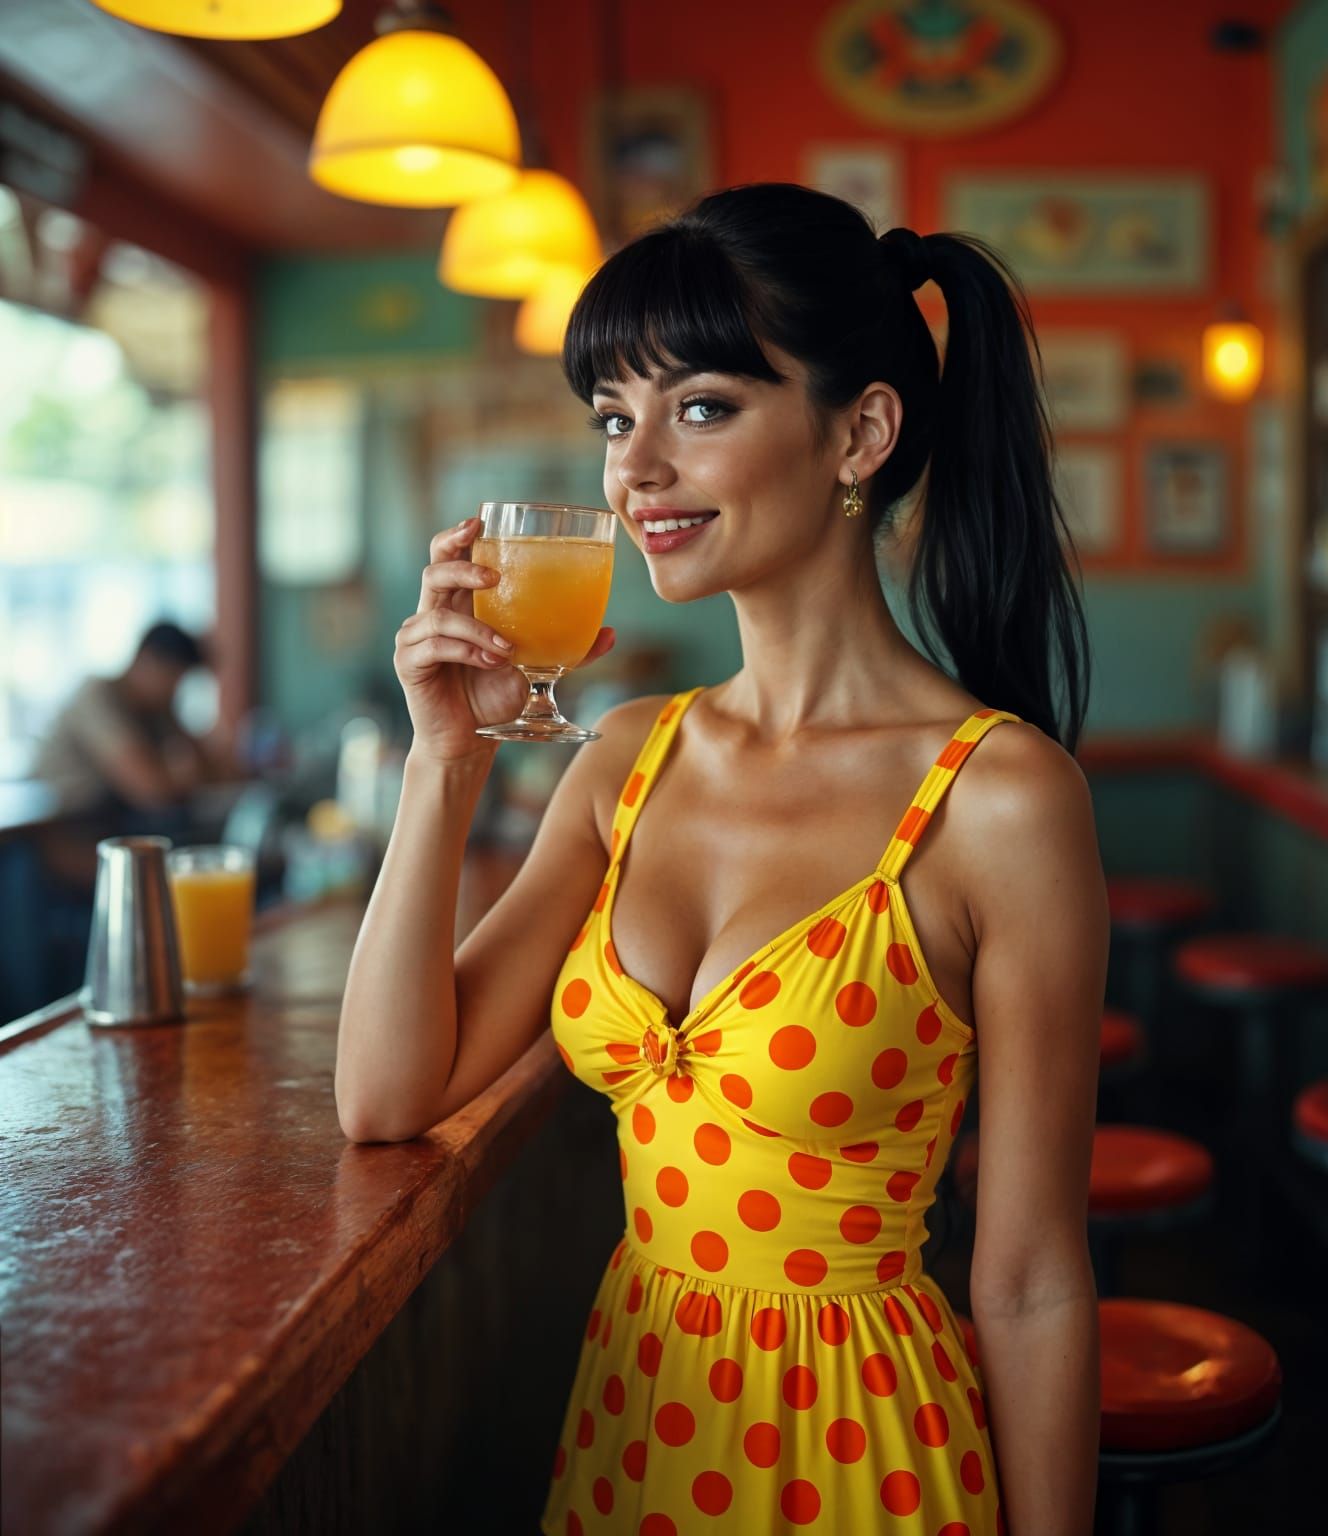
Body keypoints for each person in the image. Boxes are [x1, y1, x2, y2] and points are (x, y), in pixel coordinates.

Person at [335, 183, 1108, 1535]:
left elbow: (1034, 1275)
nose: (633, 474)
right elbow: (389, 1097)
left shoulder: (999, 799)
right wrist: (444, 762)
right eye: (613, 421)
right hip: (637, 1430)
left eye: (699, 408)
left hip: (867, 1450)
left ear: (860, 430)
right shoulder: (627, 757)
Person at [30, 620, 233, 817]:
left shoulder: (158, 708)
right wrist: (184, 777)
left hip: (106, 818)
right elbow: (150, 791)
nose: (174, 690)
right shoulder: (98, 697)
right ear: (146, 660)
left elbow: (212, 771)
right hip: (57, 825)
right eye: (171, 677)